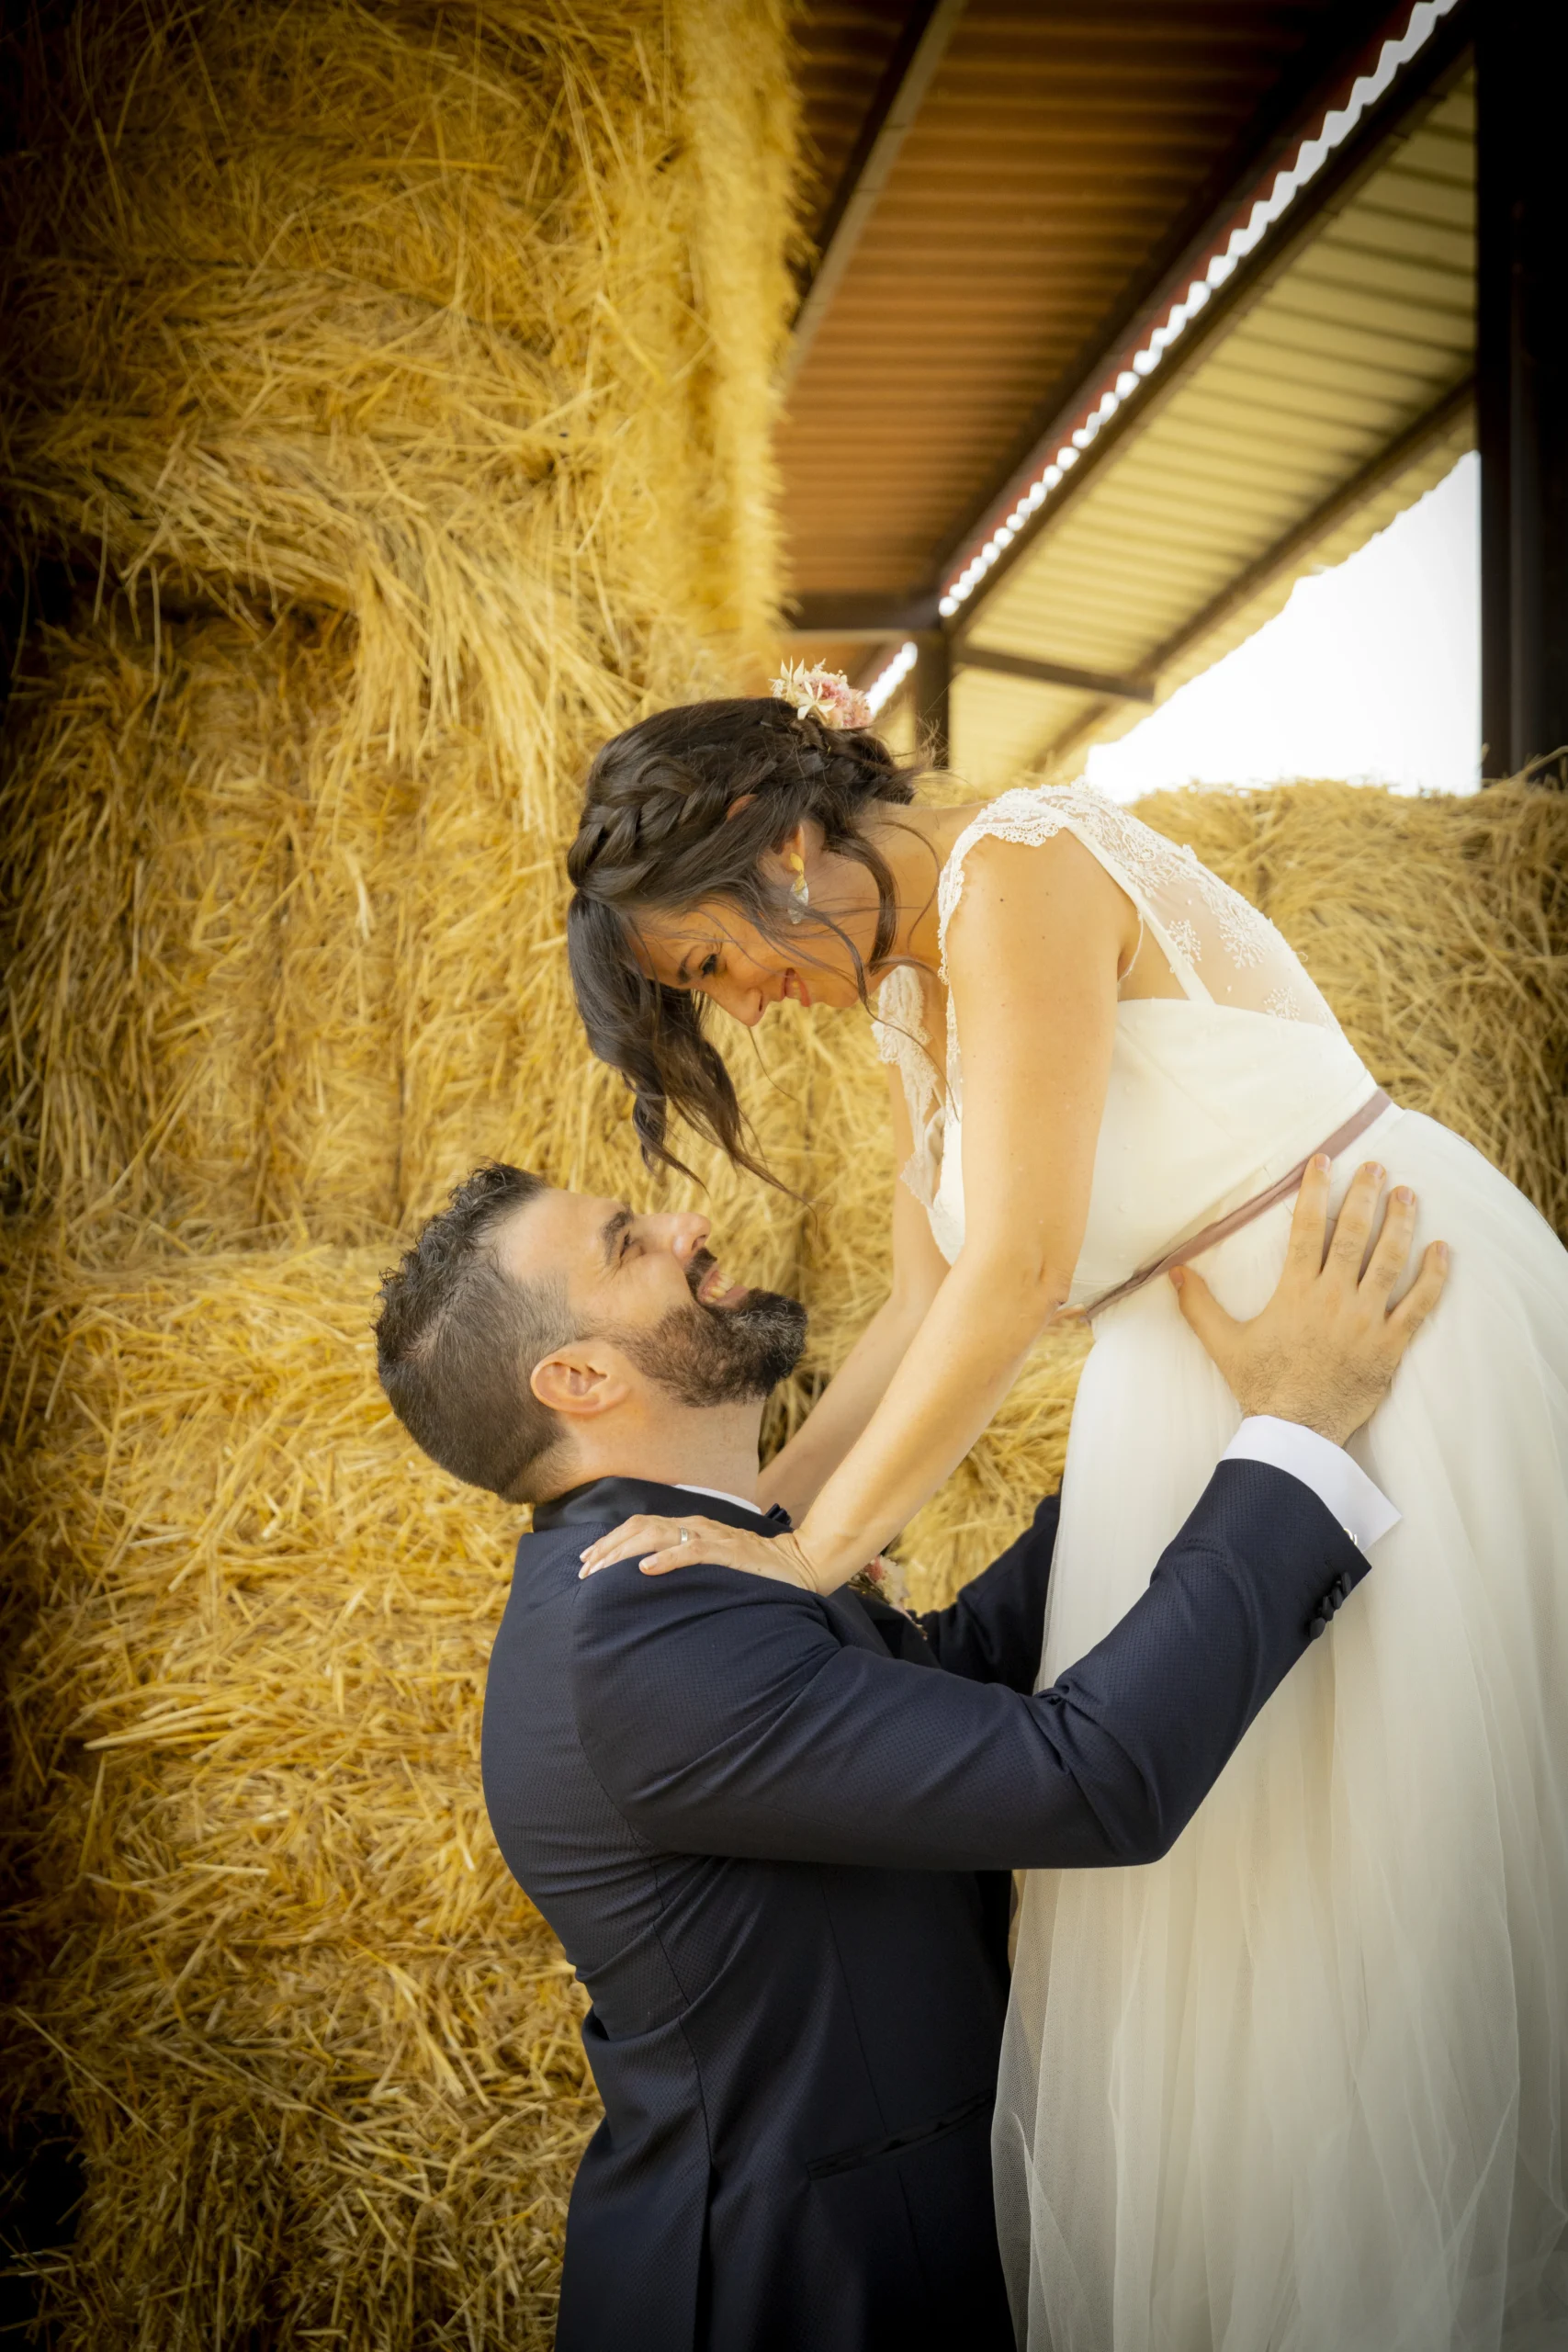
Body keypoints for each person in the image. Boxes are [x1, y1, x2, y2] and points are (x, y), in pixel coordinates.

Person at [562, 680, 1568, 2352]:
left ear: (778, 841)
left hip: (1379, 1343)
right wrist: (726, 1528)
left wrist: (812, 1559)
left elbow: (1020, 1270)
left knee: (1403, 1858)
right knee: (1253, 1909)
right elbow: (919, 1305)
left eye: (712, 962)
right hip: (1203, 1398)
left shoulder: (1015, 870)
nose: (740, 1005)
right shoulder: (906, 990)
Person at [376, 1154, 1438, 2352]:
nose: (685, 1224)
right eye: (628, 1243)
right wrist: (1292, 1436)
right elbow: (1088, 1781)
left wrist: (1179, 1435)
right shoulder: (632, 1637)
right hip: (803, 2295)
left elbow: (948, 1681)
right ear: (579, 1378)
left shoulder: (677, 1569)